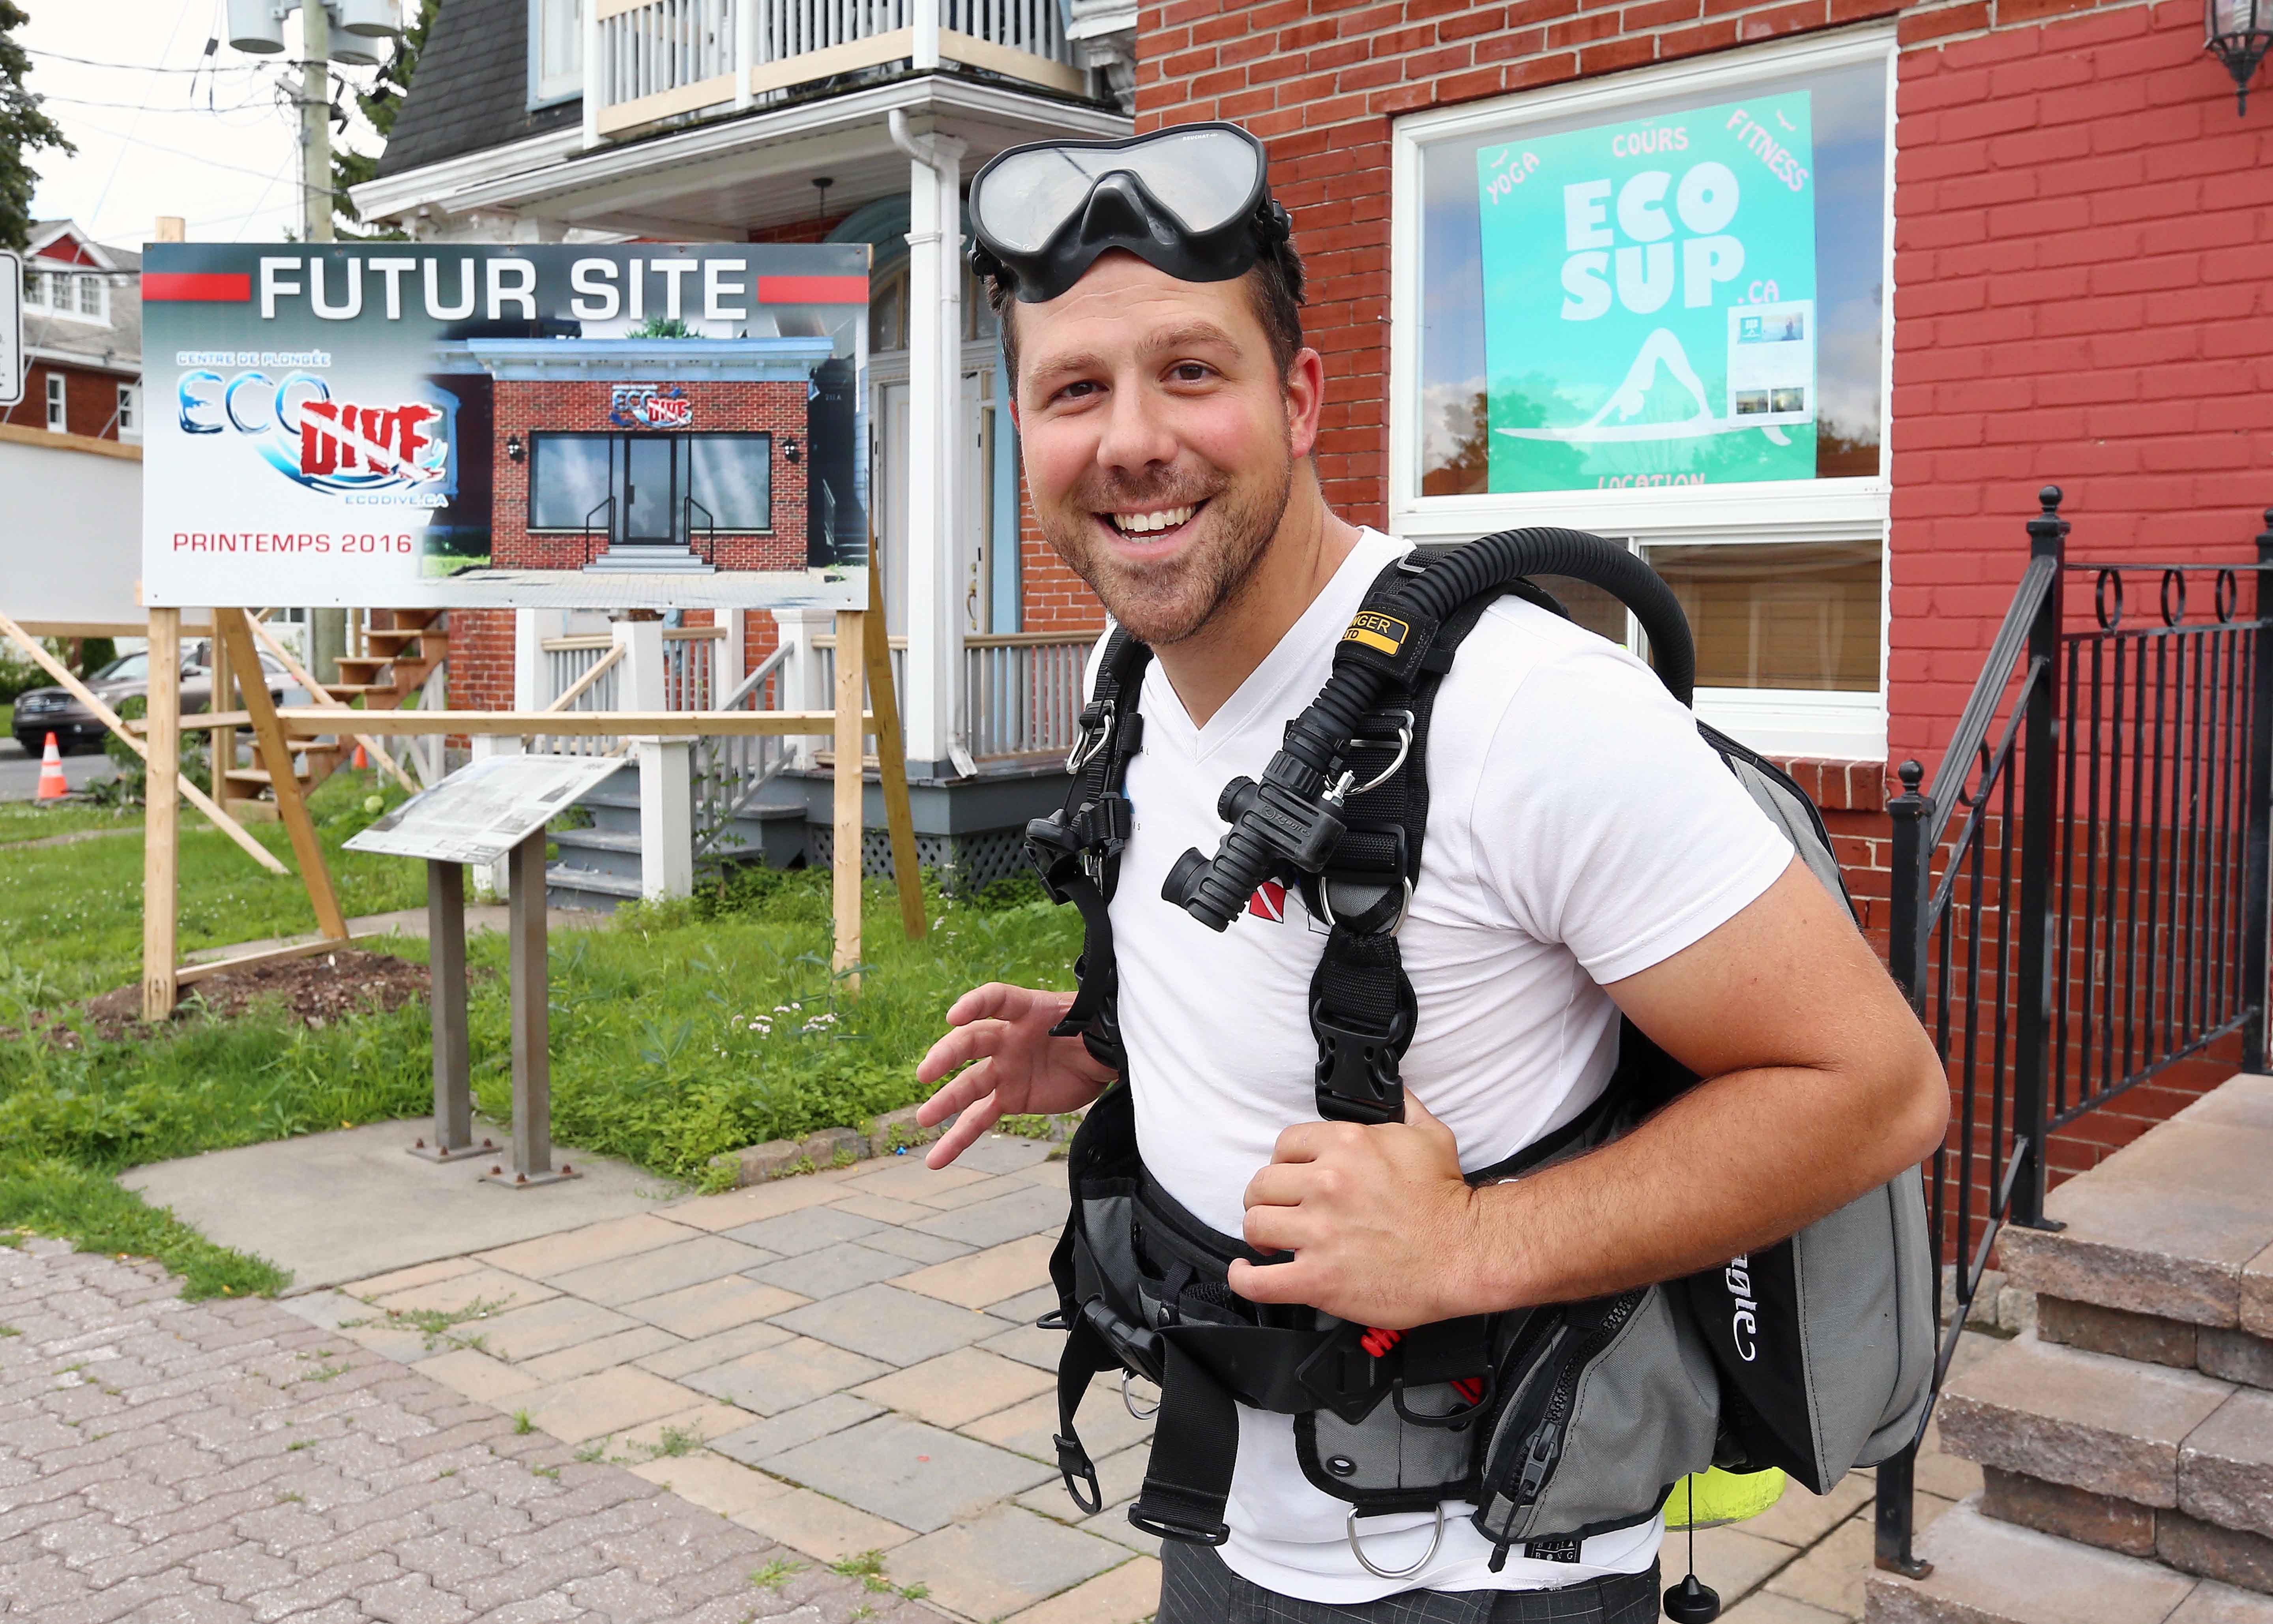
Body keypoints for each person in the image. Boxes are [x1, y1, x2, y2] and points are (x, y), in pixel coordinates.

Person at [914, 122, 1948, 1623]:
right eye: (1076, 389)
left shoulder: (1534, 708)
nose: (1132, 439)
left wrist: (1470, 1244)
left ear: (1301, 396)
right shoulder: (1127, 672)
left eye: (1191, 372)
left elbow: (1875, 1087)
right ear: (1024, 428)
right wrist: (1095, 1045)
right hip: (1222, 1518)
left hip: (1476, 1574)